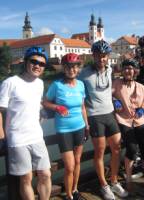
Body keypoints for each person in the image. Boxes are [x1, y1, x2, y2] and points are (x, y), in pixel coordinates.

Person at [79, 40, 128, 200]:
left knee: (116, 148)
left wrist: (116, 99)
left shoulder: (109, 70)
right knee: (100, 151)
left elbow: (111, 89)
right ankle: (103, 185)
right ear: (93, 55)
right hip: (94, 116)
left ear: (108, 57)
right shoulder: (84, 73)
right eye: (98, 56)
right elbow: (75, 89)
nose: (101, 59)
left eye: (104, 56)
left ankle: (113, 181)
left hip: (110, 114)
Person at [0, 46, 51, 200]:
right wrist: (2, 136)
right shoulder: (10, 82)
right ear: (26, 62)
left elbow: (36, 102)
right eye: (34, 62)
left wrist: (41, 110)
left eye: (42, 64)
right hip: (18, 139)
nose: (37, 66)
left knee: (45, 174)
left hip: (37, 136)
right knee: (26, 178)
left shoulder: (40, 84)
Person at [43, 53, 89, 200]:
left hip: (80, 127)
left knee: (77, 161)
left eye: (75, 66)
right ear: (64, 68)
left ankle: (75, 190)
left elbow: (82, 107)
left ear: (78, 68)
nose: (72, 69)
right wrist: (56, 107)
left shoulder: (81, 85)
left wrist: (87, 125)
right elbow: (45, 102)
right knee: (69, 166)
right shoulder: (57, 85)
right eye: (68, 66)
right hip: (64, 130)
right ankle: (68, 195)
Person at [112, 58, 144, 192]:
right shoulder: (117, 83)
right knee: (131, 149)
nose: (128, 71)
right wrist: (114, 100)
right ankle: (129, 180)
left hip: (139, 121)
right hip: (124, 120)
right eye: (125, 68)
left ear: (135, 71)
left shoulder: (140, 86)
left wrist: (143, 107)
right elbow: (106, 95)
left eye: (131, 68)